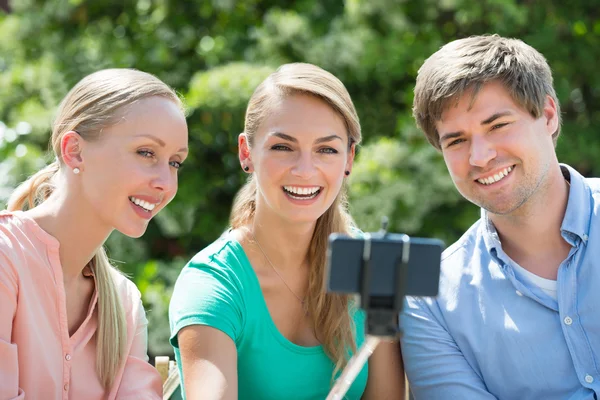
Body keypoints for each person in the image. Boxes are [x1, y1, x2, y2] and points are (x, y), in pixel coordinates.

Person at [169, 62, 404, 400]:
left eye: (327, 149)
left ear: (349, 158)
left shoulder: (374, 268)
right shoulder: (213, 284)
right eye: (283, 147)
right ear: (246, 152)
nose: (305, 170)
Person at [399, 34, 600, 399]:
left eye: (498, 125)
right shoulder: (431, 302)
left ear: (549, 116)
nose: (479, 156)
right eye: (456, 141)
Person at [0, 68, 189, 399]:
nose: (165, 182)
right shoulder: (6, 258)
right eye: (146, 153)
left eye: (175, 162)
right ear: (75, 151)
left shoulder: (124, 304)